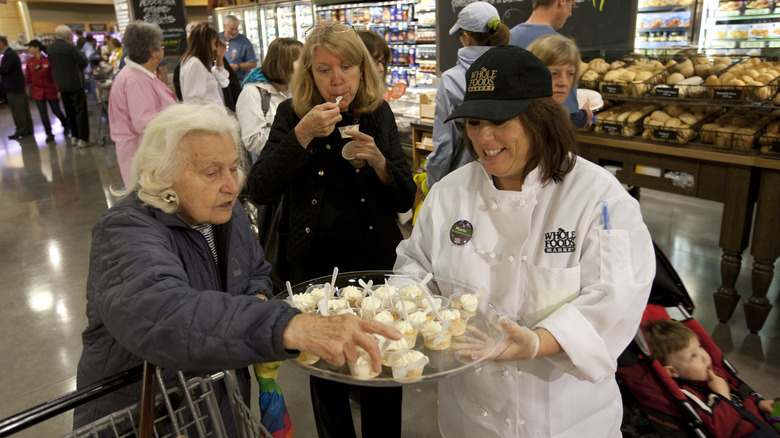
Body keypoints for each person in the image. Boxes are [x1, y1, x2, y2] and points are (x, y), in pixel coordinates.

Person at [74, 102, 401, 435]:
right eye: (212, 172)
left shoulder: (228, 214)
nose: (233, 185)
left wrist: (257, 299)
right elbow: (163, 313)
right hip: (150, 416)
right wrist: (284, 325)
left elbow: (255, 272)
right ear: (163, 174)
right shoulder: (125, 229)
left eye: (234, 168)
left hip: (215, 404)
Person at [394, 45, 655, 437]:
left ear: (540, 119)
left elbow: (617, 298)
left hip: (563, 419)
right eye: (474, 122)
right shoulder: (450, 194)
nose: (484, 138)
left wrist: (535, 343)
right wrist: (413, 314)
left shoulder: (597, 198)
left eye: (500, 121)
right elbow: (414, 266)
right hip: (469, 413)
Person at [246, 21, 416, 438]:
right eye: (324, 69)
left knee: (381, 365)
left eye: (346, 67)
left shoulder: (378, 114)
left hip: (375, 263)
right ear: (309, 74)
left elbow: (403, 197)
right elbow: (259, 188)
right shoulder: (292, 115)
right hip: (314, 267)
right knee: (325, 372)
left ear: (363, 70)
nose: (337, 78)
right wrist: (301, 136)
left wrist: (378, 161)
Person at [643, 319, 779, 438]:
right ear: (673, 371)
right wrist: (722, 394)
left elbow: (740, 396)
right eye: (693, 356)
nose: (704, 356)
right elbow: (724, 431)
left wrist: (758, 403)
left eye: (700, 347)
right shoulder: (690, 396)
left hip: (759, 422)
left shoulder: (715, 373)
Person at [425, 1, 510, 191]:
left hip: (465, 182)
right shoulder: (512, 70)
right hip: (509, 178)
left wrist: (432, 184)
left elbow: (444, 146)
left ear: (466, 37)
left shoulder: (452, 80)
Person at [108, 20, 178, 186]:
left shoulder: (140, 75)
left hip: (148, 155)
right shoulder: (135, 80)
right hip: (144, 157)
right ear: (152, 51)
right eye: (161, 45)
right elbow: (146, 124)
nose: (163, 49)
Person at [509, 0, 589, 128]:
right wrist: (585, 116)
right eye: (572, 5)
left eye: (570, 74)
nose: (570, 14)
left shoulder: (506, 38)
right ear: (562, 1)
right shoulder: (560, 49)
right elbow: (568, 118)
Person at [236, 37, 302, 162]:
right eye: (301, 61)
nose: (306, 66)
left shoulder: (293, 90)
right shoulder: (252, 93)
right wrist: (295, 137)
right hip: (269, 168)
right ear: (285, 63)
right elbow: (252, 140)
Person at [527, 33, 593, 128]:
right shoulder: (521, 124)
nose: (564, 83)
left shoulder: (555, 118)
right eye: (554, 74)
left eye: (570, 74)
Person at [48, 24, 90, 147]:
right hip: (75, 84)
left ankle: (74, 136)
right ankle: (83, 138)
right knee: (80, 111)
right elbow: (83, 62)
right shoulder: (70, 48)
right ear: (68, 36)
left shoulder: (50, 49)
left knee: (69, 111)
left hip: (61, 84)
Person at [25, 39, 69, 143]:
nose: (29, 49)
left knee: (56, 111)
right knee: (43, 114)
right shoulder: (30, 62)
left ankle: (66, 124)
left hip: (50, 90)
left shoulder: (47, 60)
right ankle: (49, 133)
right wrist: (26, 90)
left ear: (37, 48)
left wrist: (59, 90)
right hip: (37, 92)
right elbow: (28, 78)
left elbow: (54, 77)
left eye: (31, 47)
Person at [180, 22, 229, 105]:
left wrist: (219, 57)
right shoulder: (194, 64)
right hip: (207, 116)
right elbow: (194, 101)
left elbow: (222, 81)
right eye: (214, 44)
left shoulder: (199, 63)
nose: (215, 48)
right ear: (205, 44)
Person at [0, 36, 34, 140]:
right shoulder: (9, 54)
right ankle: (27, 129)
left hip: (13, 88)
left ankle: (21, 130)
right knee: (22, 109)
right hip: (16, 87)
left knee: (18, 110)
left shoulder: (9, 55)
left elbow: (5, 70)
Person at [220, 14, 258, 81]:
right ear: (224, 26)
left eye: (236, 29)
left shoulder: (244, 41)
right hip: (220, 79)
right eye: (232, 29)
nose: (234, 32)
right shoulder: (217, 38)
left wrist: (238, 66)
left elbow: (253, 63)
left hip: (238, 80)